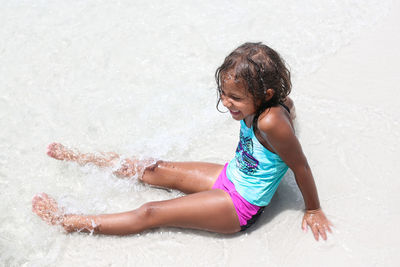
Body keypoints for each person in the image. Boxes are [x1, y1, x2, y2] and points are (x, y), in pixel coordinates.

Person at [32, 42, 332, 240]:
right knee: (151, 168)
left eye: (236, 98)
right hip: (230, 175)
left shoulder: (271, 122)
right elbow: (286, 106)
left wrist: (313, 209)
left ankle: (67, 221)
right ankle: (86, 158)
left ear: (266, 95)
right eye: (223, 93)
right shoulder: (270, 104)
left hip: (239, 205)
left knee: (152, 212)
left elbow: (301, 166)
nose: (226, 103)